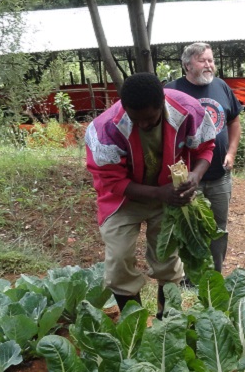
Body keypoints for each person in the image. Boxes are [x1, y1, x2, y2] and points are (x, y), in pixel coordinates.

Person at [85, 72, 216, 318]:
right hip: (123, 201)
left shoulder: (187, 110)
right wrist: (158, 192)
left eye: (150, 119)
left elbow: (205, 148)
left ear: (162, 105)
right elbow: (111, 181)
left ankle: (166, 320)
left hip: (169, 195)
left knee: (167, 259)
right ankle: (133, 322)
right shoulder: (105, 128)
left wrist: (195, 176)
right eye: (136, 120)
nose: (143, 125)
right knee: (119, 260)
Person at [165, 43, 242, 274]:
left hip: (220, 175)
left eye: (211, 60)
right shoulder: (171, 91)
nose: (209, 65)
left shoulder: (221, 87)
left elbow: (234, 121)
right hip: (187, 178)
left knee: (218, 227)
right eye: (203, 61)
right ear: (187, 65)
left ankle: (214, 274)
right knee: (188, 227)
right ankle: (188, 277)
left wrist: (231, 152)